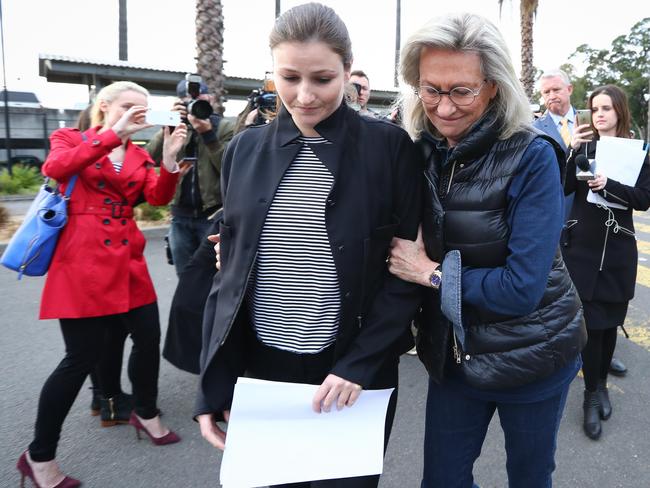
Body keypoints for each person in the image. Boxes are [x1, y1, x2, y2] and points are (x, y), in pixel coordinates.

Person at [194, 3, 422, 487]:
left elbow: (406, 273)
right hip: (263, 372)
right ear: (271, 73)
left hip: (353, 373)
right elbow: (229, 276)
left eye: (321, 78)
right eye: (288, 77)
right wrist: (211, 386)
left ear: (347, 68)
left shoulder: (389, 147)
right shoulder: (245, 149)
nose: (303, 95)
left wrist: (360, 364)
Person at [389, 13, 586, 487]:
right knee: (442, 479)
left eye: (462, 90)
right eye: (431, 89)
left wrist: (431, 274)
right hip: (454, 356)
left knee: (529, 475)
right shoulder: (418, 150)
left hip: (534, 353)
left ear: (494, 86)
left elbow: (522, 289)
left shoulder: (532, 153)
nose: (444, 107)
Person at [17, 81, 184, 488]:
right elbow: (56, 168)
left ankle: (145, 411)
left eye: (143, 109)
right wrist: (112, 134)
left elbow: (156, 198)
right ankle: (38, 458)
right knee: (80, 358)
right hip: (82, 264)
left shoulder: (140, 153)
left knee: (148, 338)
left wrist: (170, 159)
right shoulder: (71, 137)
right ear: (104, 106)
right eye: (129, 106)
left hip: (127, 262)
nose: (138, 115)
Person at [562, 84, 650, 440]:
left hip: (617, 252)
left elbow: (643, 199)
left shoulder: (639, 153)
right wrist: (571, 152)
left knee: (609, 323)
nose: (599, 114)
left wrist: (607, 184)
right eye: (594, 108)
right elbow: (567, 186)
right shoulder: (585, 147)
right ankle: (589, 395)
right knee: (589, 325)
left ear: (619, 112)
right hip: (581, 250)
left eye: (606, 108)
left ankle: (600, 388)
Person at [535, 70, 628, 376]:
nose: (551, 96)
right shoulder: (536, 128)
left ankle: (599, 357)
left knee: (601, 308)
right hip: (560, 221)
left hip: (602, 230)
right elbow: (555, 181)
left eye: (556, 90)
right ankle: (579, 354)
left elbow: (639, 195)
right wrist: (571, 150)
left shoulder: (598, 132)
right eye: (545, 92)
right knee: (568, 299)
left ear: (569, 89)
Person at [146, 78, 236, 276]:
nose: (193, 103)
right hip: (180, 217)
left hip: (212, 215)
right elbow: (147, 158)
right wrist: (168, 127)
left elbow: (231, 169)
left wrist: (208, 135)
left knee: (214, 277)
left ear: (210, 99)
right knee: (185, 276)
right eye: (187, 99)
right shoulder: (174, 127)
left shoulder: (224, 128)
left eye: (199, 97)